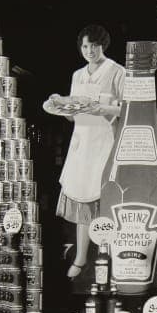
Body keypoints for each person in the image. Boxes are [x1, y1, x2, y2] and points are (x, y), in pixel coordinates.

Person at [44, 24, 125, 278]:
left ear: (104, 45)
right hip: (82, 142)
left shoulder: (116, 71)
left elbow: (127, 108)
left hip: (105, 141)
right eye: (85, 46)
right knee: (82, 200)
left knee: (104, 199)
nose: (89, 50)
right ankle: (80, 258)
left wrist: (103, 109)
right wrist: (64, 108)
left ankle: (107, 256)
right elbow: (72, 112)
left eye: (94, 45)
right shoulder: (78, 75)